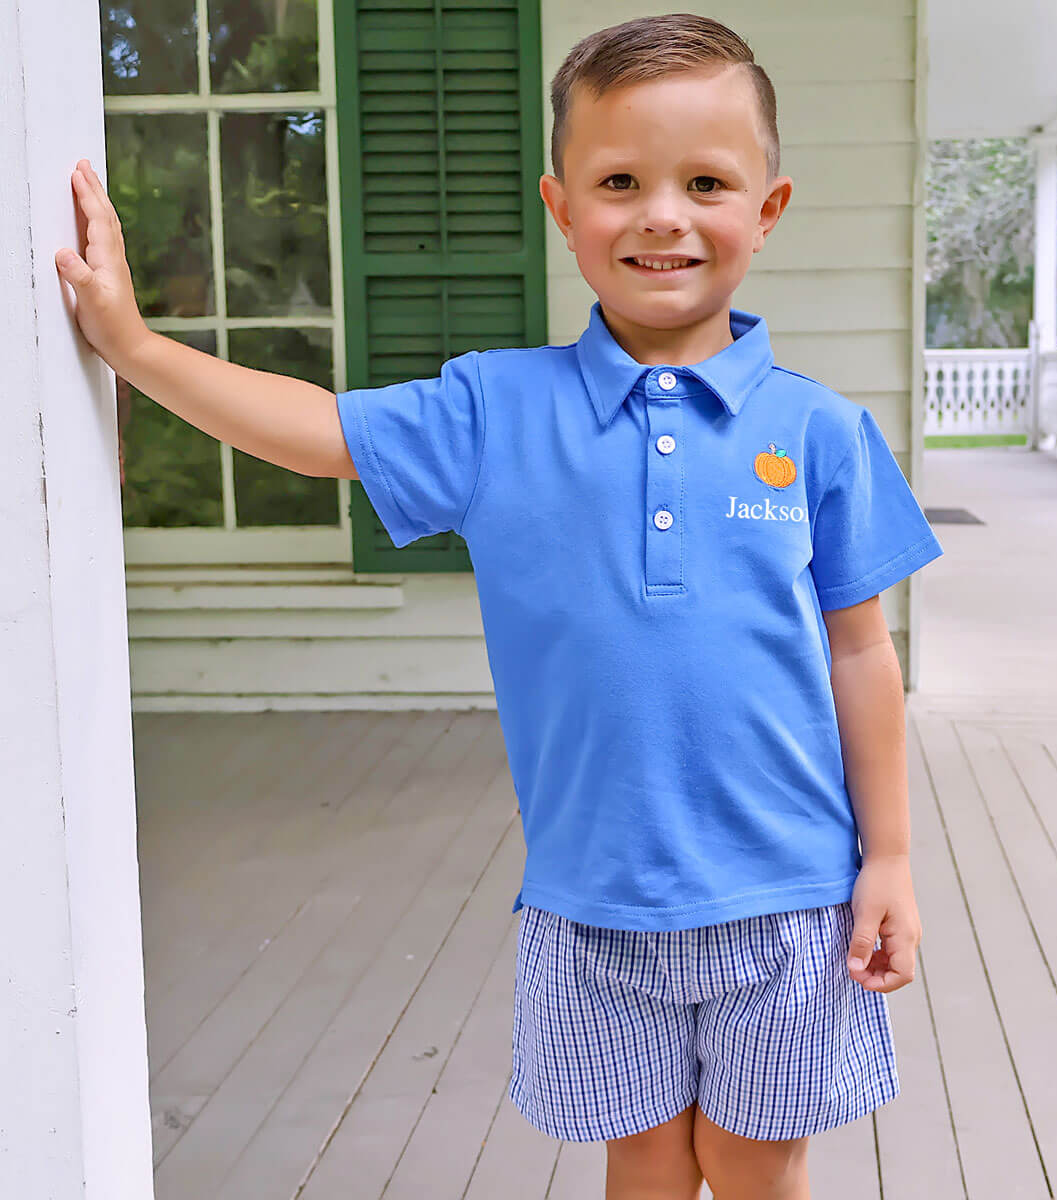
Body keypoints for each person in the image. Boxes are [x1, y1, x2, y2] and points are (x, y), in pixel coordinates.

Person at [55, 12, 943, 1199]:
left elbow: (861, 657)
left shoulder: (821, 431)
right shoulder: (496, 411)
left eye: (706, 182)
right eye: (619, 181)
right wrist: (132, 343)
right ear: (561, 207)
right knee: (644, 1160)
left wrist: (887, 854)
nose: (663, 214)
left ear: (767, 209)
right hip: (593, 901)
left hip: (787, 897)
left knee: (752, 1163)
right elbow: (320, 429)